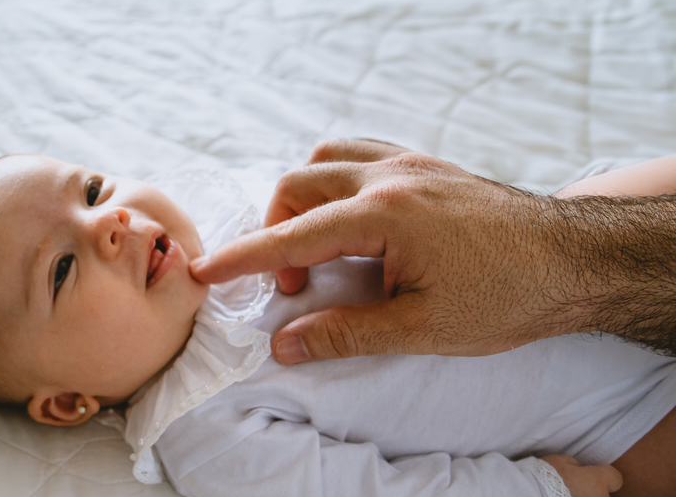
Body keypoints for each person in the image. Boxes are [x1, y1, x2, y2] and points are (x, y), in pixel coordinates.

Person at [0, 154, 676, 497]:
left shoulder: (238, 208)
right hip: (608, 421)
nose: (109, 223)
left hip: (569, 241)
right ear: (69, 401)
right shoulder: (207, 431)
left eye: (94, 188)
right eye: (62, 271)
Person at [190, 139, 676, 366]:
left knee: (608, 198)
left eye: (107, 189)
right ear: (106, 400)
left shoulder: (217, 202)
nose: (113, 223)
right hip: (604, 425)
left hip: (568, 224)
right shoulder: (196, 421)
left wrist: (547, 231)